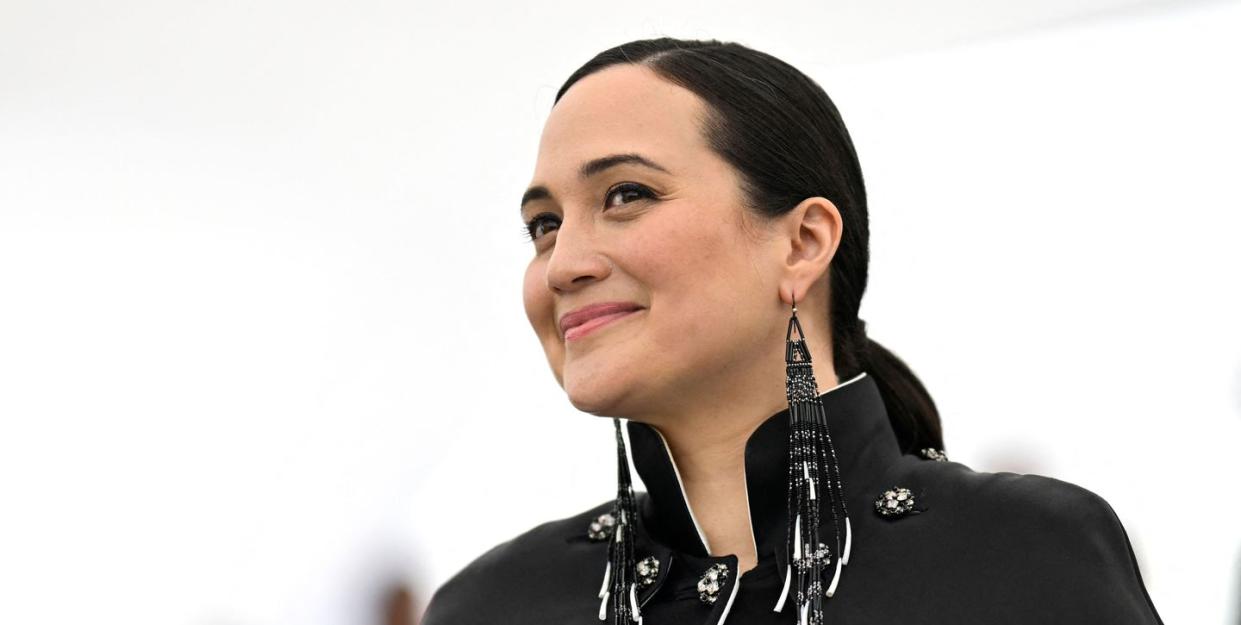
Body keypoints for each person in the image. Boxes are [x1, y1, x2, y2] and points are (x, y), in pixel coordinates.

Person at [421, 37, 1164, 625]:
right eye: (543, 225)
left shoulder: (1017, 556)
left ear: (802, 242)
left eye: (625, 194)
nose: (562, 265)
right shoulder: (490, 604)